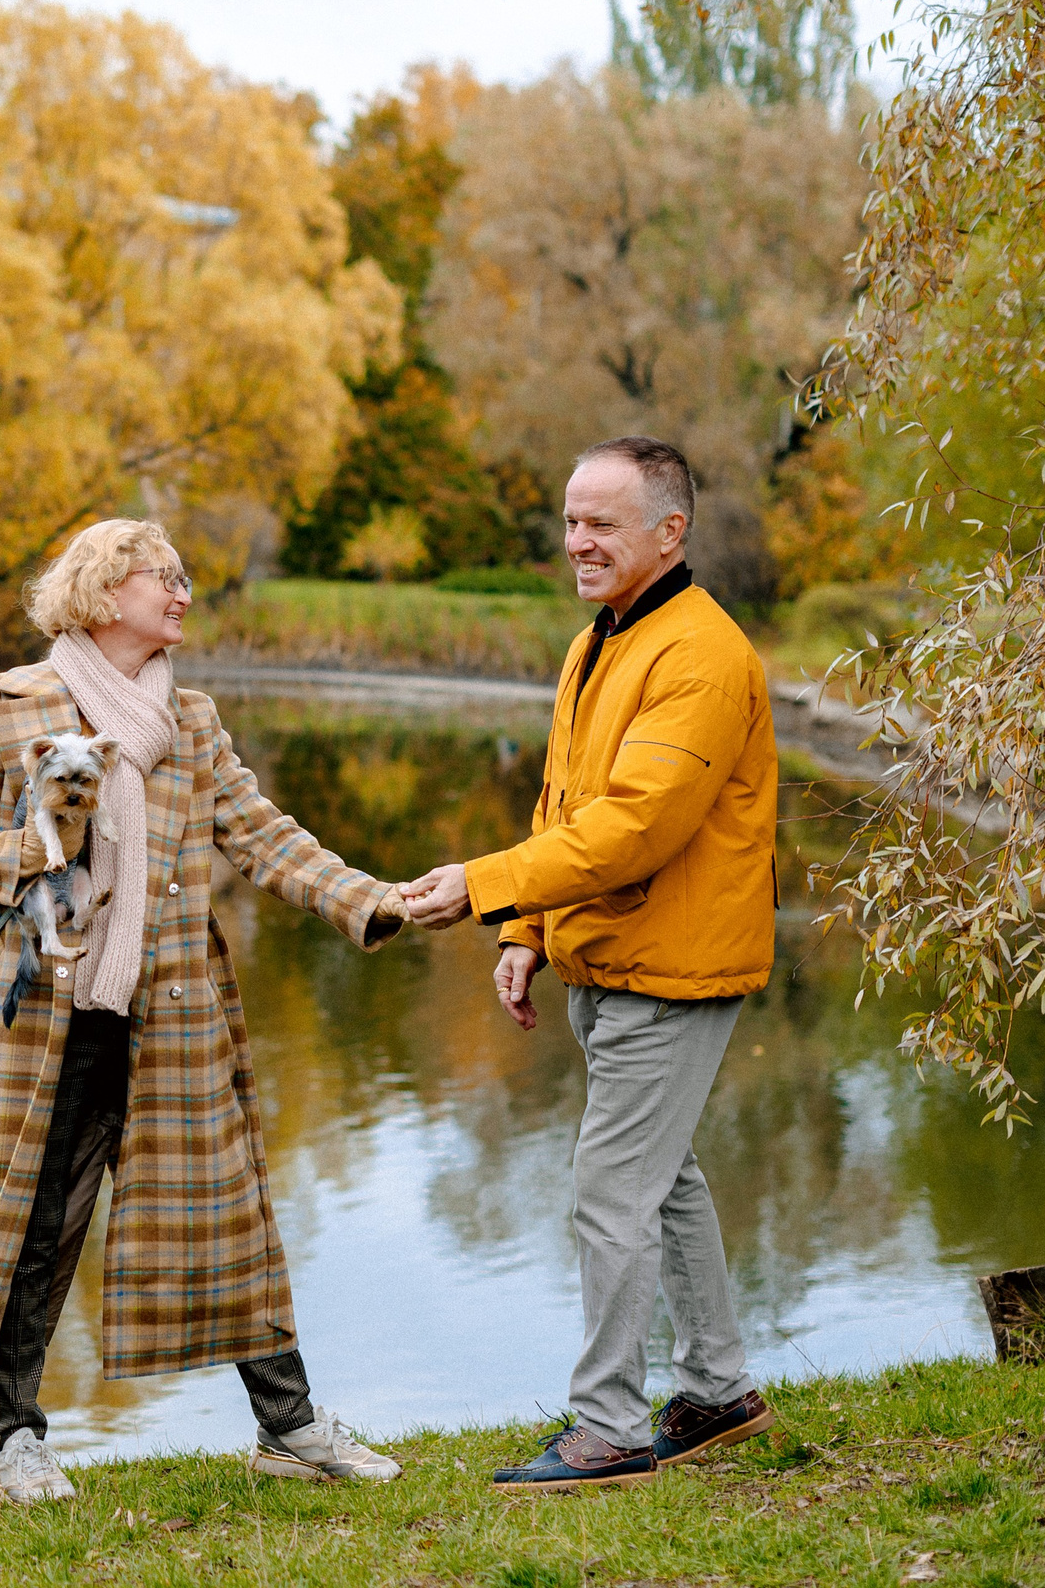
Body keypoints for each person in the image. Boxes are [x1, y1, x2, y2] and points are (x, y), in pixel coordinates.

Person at [0, 517, 411, 1507]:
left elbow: (261, 834)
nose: (182, 594)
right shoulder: (16, 705)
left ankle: (290, 1426)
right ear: (102, 594)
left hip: (173, 1012)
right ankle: (16, 1439)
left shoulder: (191, 718)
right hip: (48, 1020)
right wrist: (28, 850)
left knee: (227, 1212)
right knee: (35, 1227)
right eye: (163, 579)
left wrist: (368, 898)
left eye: (184, 580)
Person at [400, 437, 781, 1491]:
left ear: (671, 531)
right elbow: (563, 801)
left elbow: (636, 830)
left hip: (672, 968)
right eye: (570, 519)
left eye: (601, 522)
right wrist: (522, 931)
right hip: (607, 958)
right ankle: (715, 1391)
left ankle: (607, 1427)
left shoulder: (699, 655)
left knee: (609, 1190)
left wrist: (483, 884)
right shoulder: (598, 640)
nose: (577, 540)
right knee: (664, 1177)